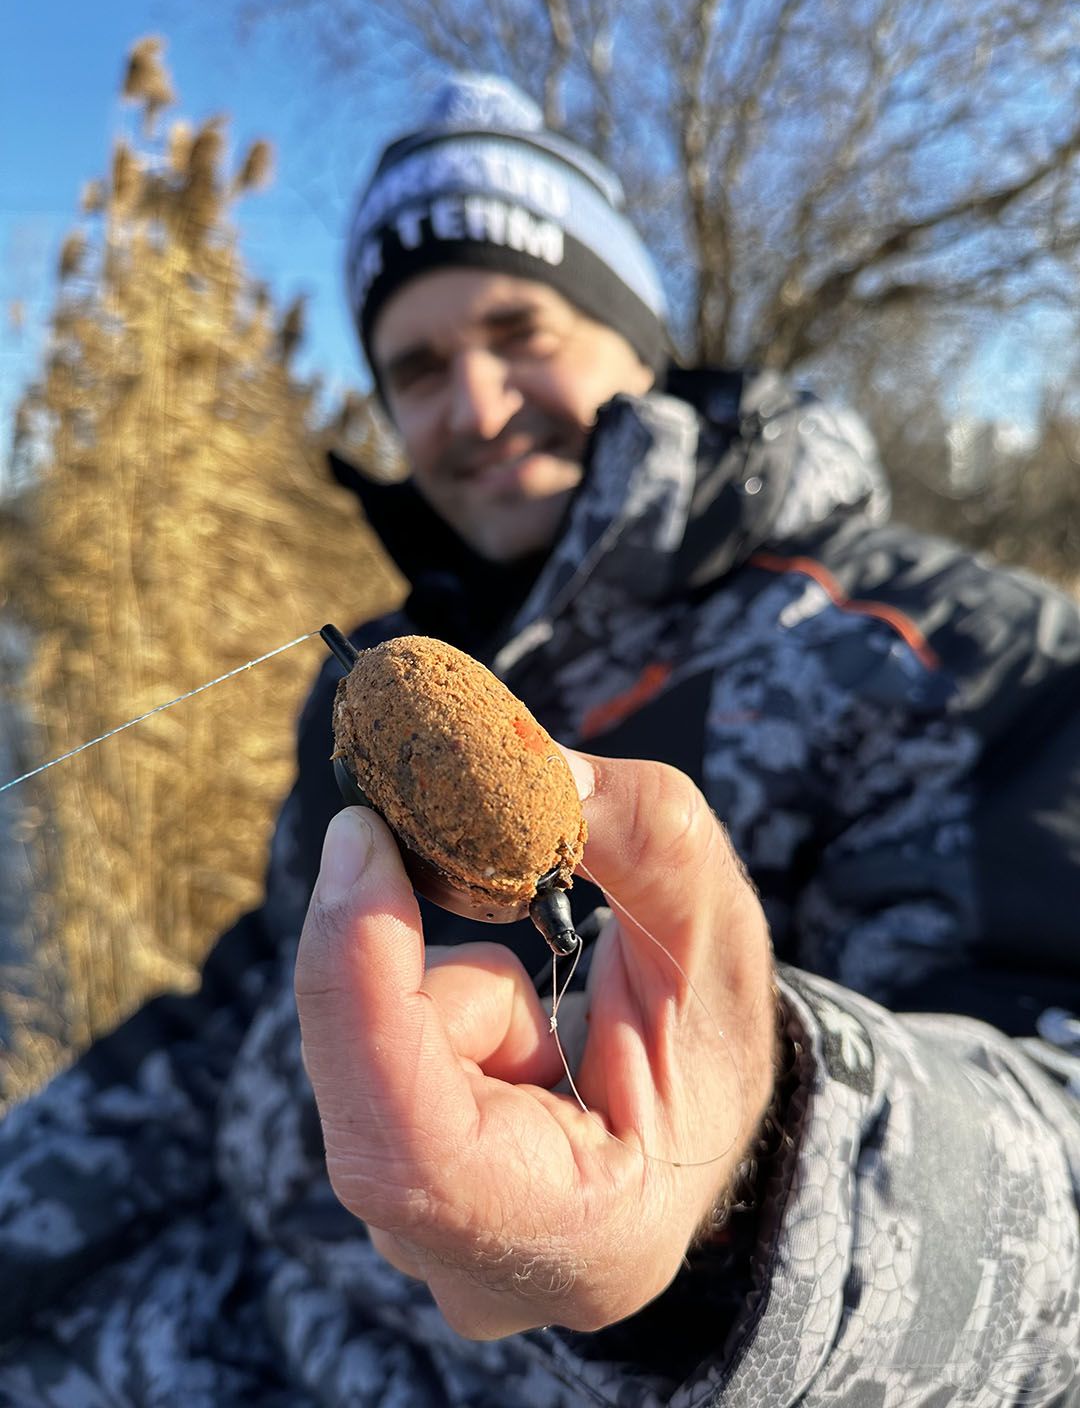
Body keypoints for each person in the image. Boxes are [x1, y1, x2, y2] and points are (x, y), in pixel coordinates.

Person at [1, 73, 1078, 1406]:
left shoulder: (965, 661)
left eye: (522, 328)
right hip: (232, 1320)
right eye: (417, 368)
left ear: (636, 334)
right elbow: (238, 1016)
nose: (478, 402)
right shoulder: (370, 675)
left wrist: (755, 1182)